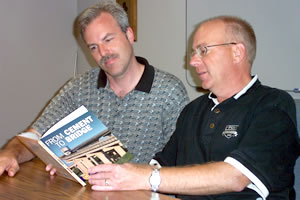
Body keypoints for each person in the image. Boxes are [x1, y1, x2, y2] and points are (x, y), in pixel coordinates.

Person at [87, 15, 300, 200]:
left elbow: (236, 177)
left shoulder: (273, 105)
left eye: (203, 51)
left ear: (237, 52)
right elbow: (158, 168)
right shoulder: (193, 110)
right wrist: (104, 173)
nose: (193, 62)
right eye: (193, 52)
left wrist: (148, 178)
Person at [0, 0, 189, 177]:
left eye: (108, 39)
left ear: (129, 35)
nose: (103, 53)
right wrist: (10, 154)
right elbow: (34, 137)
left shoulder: (169, 92)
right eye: (93, 47)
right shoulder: (78, 88)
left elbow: (181, 164)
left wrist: (126, 176)